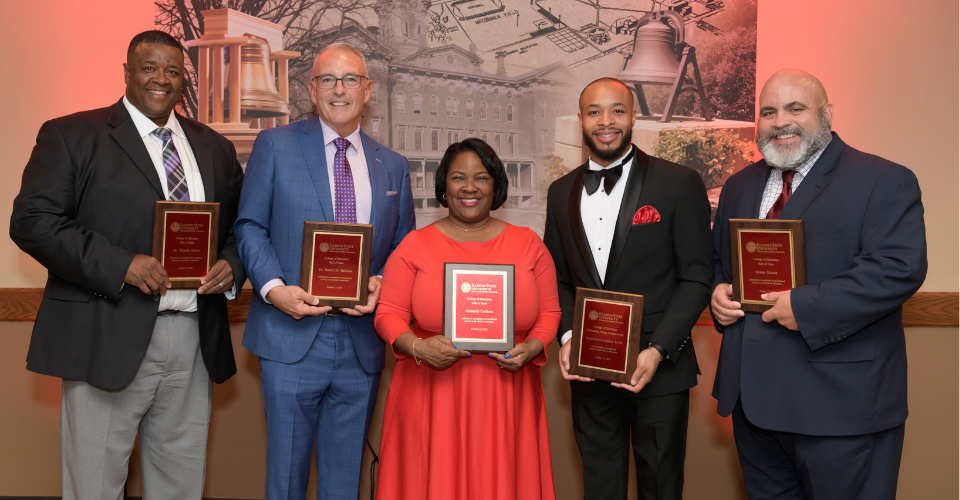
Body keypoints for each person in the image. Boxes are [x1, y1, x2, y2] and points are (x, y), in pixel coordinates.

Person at [9, 30, 245, 499]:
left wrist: (232, 266)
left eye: (173, 71)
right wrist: (121, 265)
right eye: (149, 67)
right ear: (126, 73)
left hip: (194, 338)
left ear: (184, 80)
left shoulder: (214, 147)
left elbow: (239, 229)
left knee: (180, 486)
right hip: (107, 332)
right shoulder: (73, 135)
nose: (162, 79)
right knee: (94, 485)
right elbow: (33, 222)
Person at [710, 69, 927, 500]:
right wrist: (717, 294)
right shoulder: (738, 186)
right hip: (752, 405)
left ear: (826, 113)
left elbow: (897, 268)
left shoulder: (882, 179)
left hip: (841, 408)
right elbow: (720, 263)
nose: (780, 121)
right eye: (768, 112)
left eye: (795, 108)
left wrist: (807, 306)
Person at [234, 42, 415, 500]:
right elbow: (250, 225)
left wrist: (381, 283)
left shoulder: (392, 165)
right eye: (328, 80)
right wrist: (274, 290)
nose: (340, 90)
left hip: (360, 343)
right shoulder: (275, 145)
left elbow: (402, 246)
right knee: (286, 478)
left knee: (343, 480)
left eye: (350, 79)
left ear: (367, 89)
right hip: (290, 334)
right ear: (311, 90)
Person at [542, 77, 712, 500]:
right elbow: (556, 277)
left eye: (617, 110)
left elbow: (696, 276)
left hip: (659, 368)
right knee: (600, 487)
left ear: (634, 115)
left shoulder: (679, 182)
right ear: (581, 120)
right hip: (588, 367)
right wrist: (566, 337)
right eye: (594, 111)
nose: (606, 121)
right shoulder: (560, 192)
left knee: (660, 487)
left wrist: (656, 351)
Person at [374, 138, 561, 500]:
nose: (470, 188)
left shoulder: (528, 244)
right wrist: (417, 346)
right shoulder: (414, 245)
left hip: (507, 393)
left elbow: (550, 313)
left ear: (497, 185)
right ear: (444, 186)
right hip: (431, 393)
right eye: (459, 177)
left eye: (482, 177)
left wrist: (534, 346)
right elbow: (388, 315)